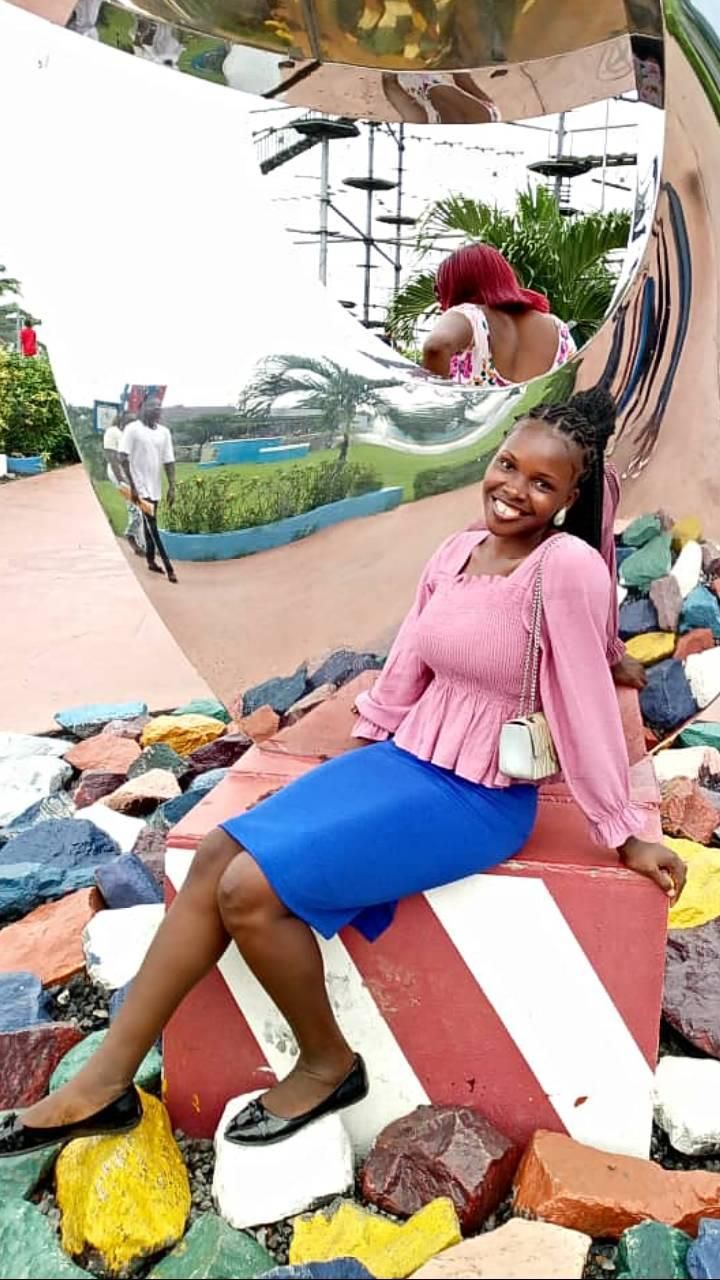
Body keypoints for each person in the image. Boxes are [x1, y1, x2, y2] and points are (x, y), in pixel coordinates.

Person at [0, 396, 686, 1159]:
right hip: (403, 763)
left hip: (478, 797)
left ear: (568, 501)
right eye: (506, 466)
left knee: (248, 891)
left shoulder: (563, 567)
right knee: (222, 852)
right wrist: (357, 758)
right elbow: (404, 671)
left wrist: (625, 833)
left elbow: (588, 703)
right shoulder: (455, 552)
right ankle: (106, 1082)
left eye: (542, 483)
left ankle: (327, 1063)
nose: (514, 489)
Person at [422, 244, 576, 386]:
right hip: (541, 415)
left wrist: (438, 405)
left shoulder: (469, 315)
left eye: (439, 289)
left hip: (479, 416)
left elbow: (435, 346)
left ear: (457, 286)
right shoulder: (558, 329)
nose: (439, 298)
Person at [120, 398, 178, 585]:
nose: (157, 408)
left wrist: (172, 486)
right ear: (142, 408)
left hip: (155, 487)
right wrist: (133, 486)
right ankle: (169, 568)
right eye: (153, 405)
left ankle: (151, 561)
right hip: (140, 487)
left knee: (149, 526)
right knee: (153, 526)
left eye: (159, 406)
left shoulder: (164, 432)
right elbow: (123, 457)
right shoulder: (133, 429)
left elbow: (169, 461)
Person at [102, 411, 145, 557]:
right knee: (136, 508)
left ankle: (139, 540)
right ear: (122, 420)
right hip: (118, 473)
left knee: (140, 508)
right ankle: (132, 537)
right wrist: (121, 479)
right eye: (131, 421)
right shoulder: (113, 432)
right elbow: (111, 456)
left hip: (130, 474)